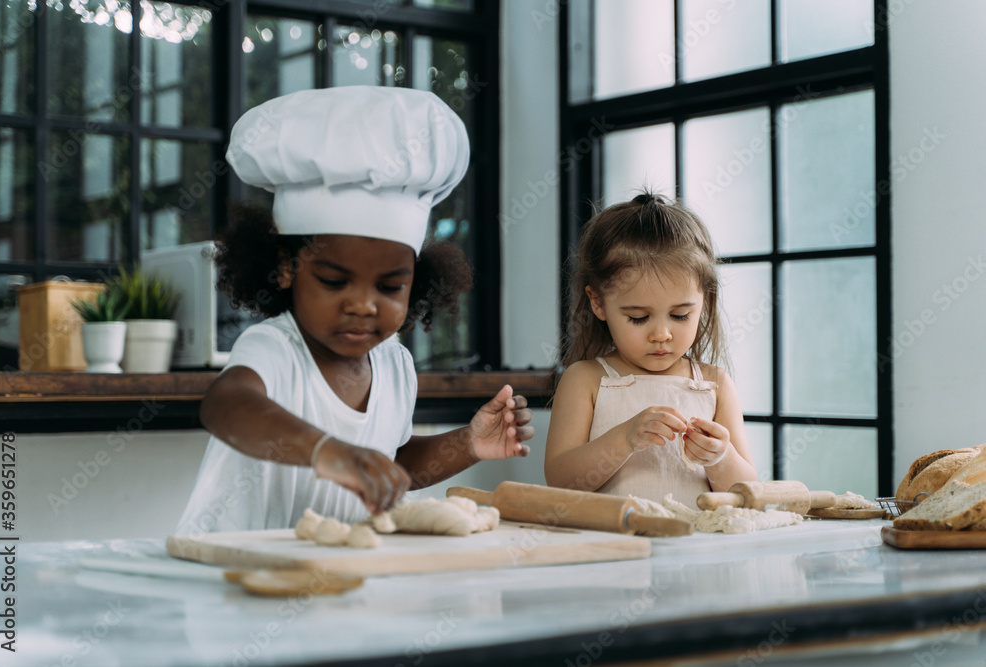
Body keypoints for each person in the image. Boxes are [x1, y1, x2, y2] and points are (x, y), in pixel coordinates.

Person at [177, 86, 534, 534]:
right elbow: (226, 406)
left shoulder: (395, 364)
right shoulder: (275, 349)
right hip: (234, 571)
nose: (363, 304)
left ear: (415, 282)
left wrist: (469, 444)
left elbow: (390, 465)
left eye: (389, 286)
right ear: (287, 269)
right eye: (333, 281)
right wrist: (325, 450)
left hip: (326, 576)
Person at [543, 192, 756, 509]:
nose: (661, 334)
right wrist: (625, 438)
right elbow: (560, 480)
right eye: (638, 318)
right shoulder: (586, 379)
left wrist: (720, 458)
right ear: (598, 303)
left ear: (705, 303)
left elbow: (750, 492)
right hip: (616, 549)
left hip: (697, 550)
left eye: (680, 315)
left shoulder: (714, 384)